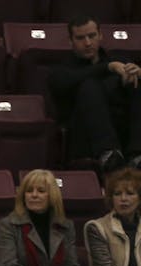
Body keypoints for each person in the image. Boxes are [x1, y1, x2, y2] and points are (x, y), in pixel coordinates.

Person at [50, 15, 141, 173]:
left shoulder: (119, 60)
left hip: (122, 131)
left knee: (136, 82)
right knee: (89, 85)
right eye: (80, 38)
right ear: (70, 41)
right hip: (85, 138)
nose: (87, 43)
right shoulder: (62, 69)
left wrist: (131, 78)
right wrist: (108, 68)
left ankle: (137, 155)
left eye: (91, 36)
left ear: (100, 35)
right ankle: (109, 154)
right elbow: (63, 83)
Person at [87, 168, 141, 266]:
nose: (123, 199)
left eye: (130, 194)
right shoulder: (97, 227)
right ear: (111, 198)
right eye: (117, 194)